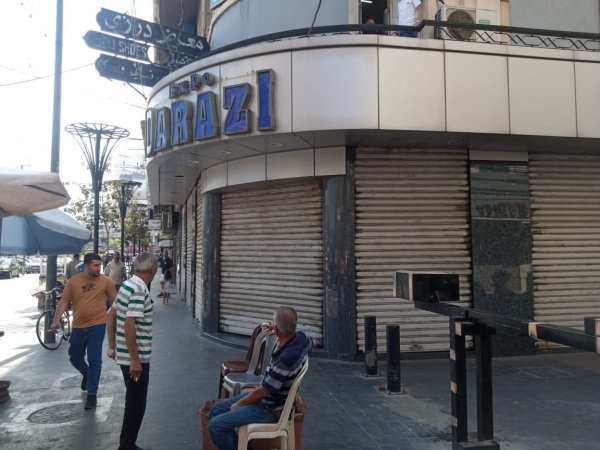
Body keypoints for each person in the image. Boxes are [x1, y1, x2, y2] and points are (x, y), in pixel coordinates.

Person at [208, 306, 312, 450]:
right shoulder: (303, 339)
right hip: (267, 399)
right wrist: (277, 330)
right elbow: (305, 341)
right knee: (215, 410)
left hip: (269, 408)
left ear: (277, 329)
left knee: (215, 427)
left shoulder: (284, 361)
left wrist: (238, 404)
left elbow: (263, 391)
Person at [51, 253, 117, 411]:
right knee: (74, 357)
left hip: (98, 325)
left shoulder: (106, 281)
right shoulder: (74, 281)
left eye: (100, 265)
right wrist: (56, 320)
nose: (99, 268)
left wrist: (118, 322)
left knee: (95, 360)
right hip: (78, 326)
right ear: (86, 266)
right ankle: (87, 374)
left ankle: (92, 394)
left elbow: (115, 302)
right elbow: (64, 301)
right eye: (95, 265)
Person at [106, 252, 157, 450]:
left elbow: (111, 313)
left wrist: (112, 346)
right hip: (136, 359)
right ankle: (126, 446)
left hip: (126, 356)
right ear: (153, 269)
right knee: (136, 405)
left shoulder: (128, 284)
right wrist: (135, 360)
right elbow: (130, 324)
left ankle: (128, 444)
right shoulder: (138, 289)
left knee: (133, 402)